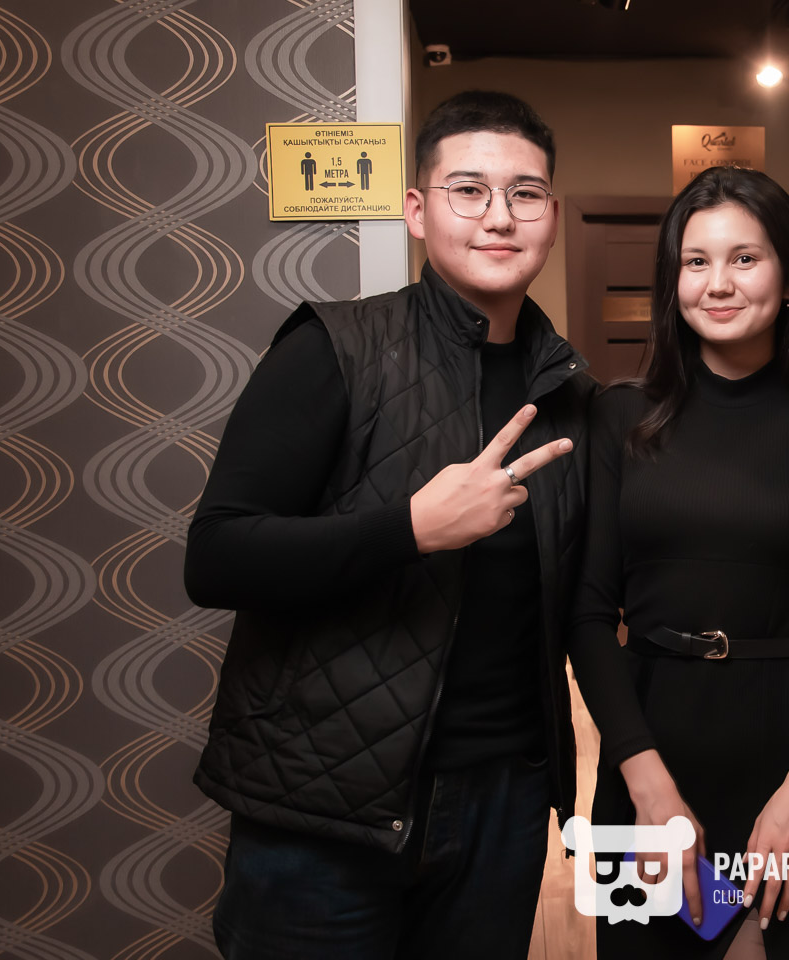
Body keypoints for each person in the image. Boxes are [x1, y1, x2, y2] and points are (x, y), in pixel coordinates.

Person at [184, 91, 592, 959]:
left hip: (503, 802)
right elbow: (216, 556)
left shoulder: (567, 393)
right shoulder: (336, 347)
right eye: (468, 190)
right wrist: (410, 527)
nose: (499, 216)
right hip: (322, 809)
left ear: (552, 219)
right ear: (416, 210)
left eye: (525, 194)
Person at [567, 166, 789, 959]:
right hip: (646, 751)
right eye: (696, 261)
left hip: (784, 758)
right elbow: (586, 613)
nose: (718, 283)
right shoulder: (620, 416)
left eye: (745, 258)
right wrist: (646, 786)